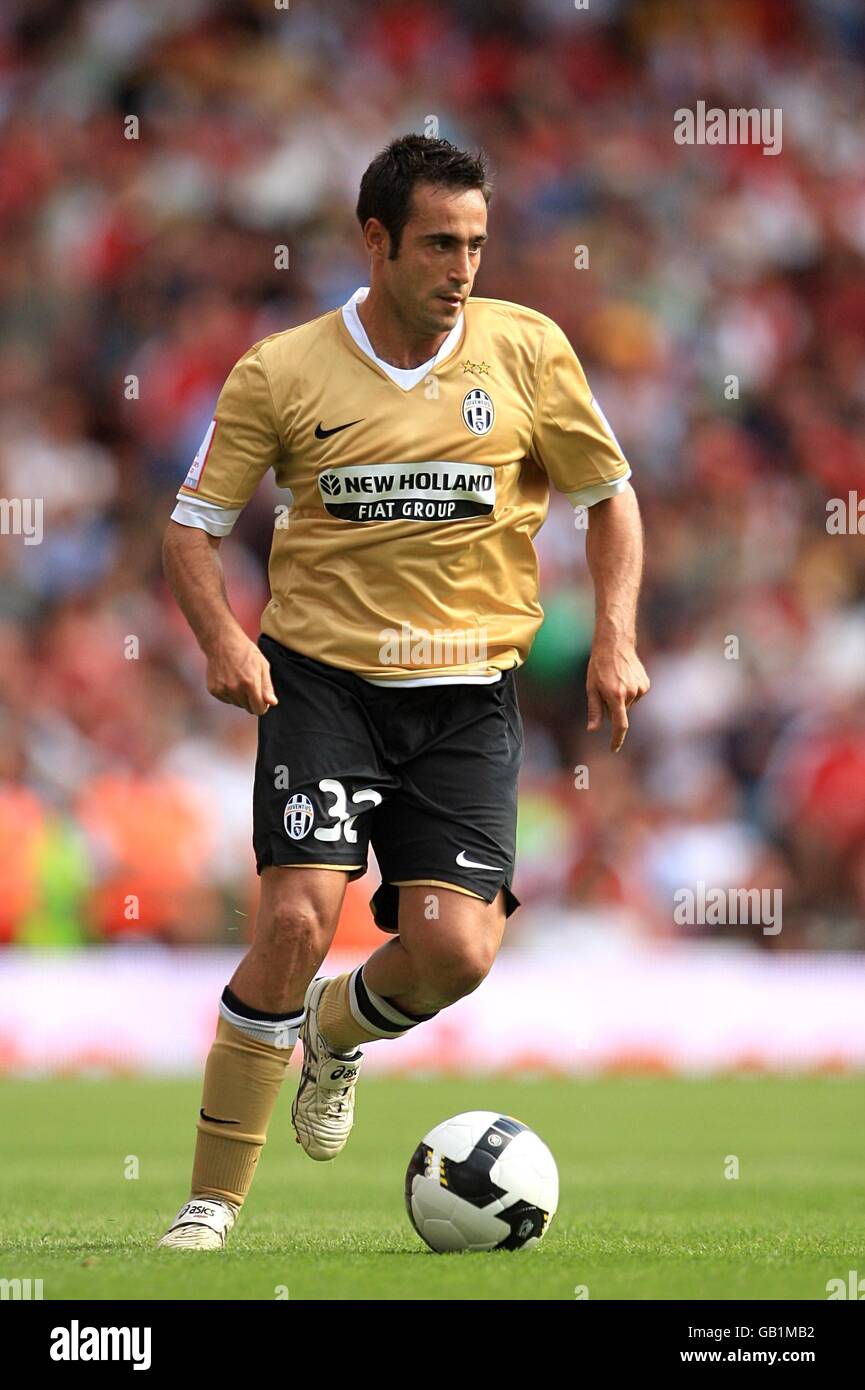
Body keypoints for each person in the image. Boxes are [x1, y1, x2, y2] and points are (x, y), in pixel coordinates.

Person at [157, 133, 650, 1249]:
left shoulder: (527, 351)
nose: (462, 264)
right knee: (292, 918)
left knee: (456, 951)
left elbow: (608, 499)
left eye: (476, 242)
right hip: (323, 684)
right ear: (374, 242)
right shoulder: (281, 370)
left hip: (470, 694)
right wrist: (224, 641)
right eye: (438, 242)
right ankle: (209, 1206)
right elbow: (191, 527)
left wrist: (614, 637)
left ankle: (331, 1036)